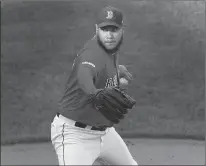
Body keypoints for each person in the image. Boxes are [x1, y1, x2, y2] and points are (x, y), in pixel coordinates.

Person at [50, 6, 138, 165]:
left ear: (122, 30)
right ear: (96, 29)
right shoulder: (91, 53)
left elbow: (101, 71)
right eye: (105, 29)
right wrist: (93, 93)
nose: (109, 35)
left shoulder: (110, 49)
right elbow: (85, 73)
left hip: (105, 134)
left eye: (114, 29)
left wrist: (117, 71)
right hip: (74, 135)